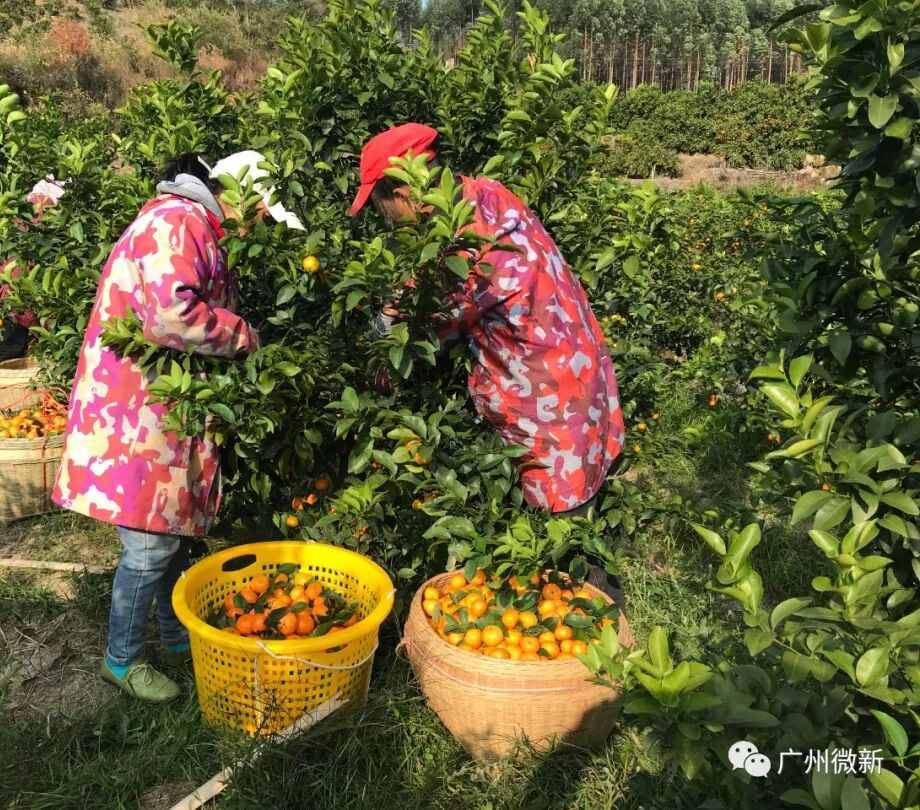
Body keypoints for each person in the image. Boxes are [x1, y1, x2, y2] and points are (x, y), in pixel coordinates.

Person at [53, 151, 303, 702]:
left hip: (159, 406)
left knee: (168, 531)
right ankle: (121, 659)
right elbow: (172, 315)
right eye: (262, 212)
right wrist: (246, 337)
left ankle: (172, 634)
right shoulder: (177, 223)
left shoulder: (194, 224)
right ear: (237, 195)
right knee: (148, 545)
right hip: (138, 410)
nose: (261, 225)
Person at [350, 123, 626, 602]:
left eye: (381, 204)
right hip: (578, 368)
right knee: (583, 506)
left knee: (566, 548)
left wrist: (380, 340)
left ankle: (595, 621)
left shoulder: (459, 250)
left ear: (406, 193)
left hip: (545, 402)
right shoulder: (489, 194)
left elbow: (417, 335)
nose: (384, 218)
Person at [0, 176, 67, 363]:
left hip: (16, 288)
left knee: (14, 343)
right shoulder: (47, 214)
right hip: (27, 289)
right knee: (21, 342)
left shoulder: (25, 213)